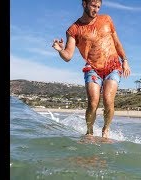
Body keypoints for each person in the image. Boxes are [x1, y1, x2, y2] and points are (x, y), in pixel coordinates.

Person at [52, 0, 131, 138]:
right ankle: (89, 131)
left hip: (113, 66)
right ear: (84, 4)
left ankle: (105, 130)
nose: (96, 10)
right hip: (92, 68)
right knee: (93, 102)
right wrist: (60, 50)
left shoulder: (107, 19)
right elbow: (68, 56)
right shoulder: (73, 29)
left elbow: (117, 42)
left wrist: (124, 60)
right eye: (93, 6)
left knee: (108, 100)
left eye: (99, 7)